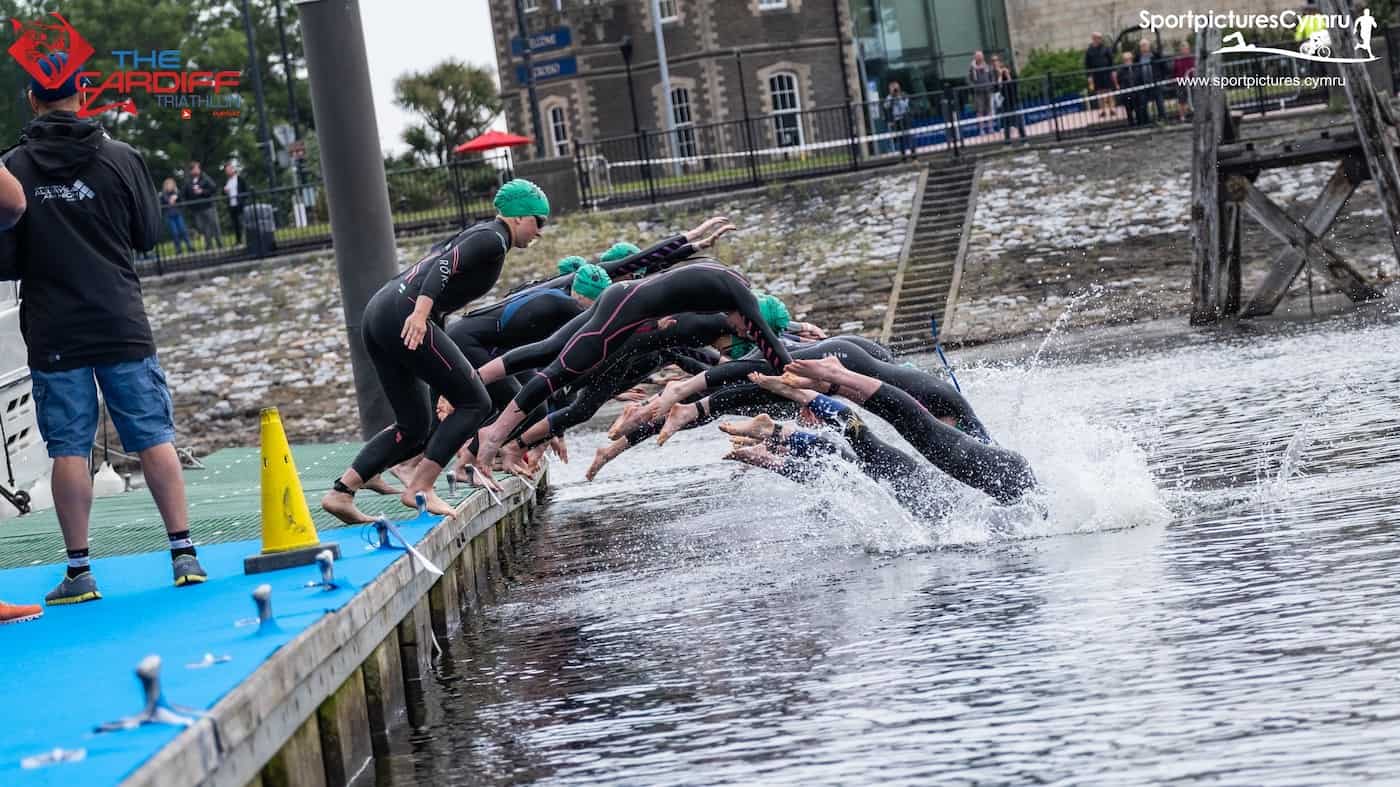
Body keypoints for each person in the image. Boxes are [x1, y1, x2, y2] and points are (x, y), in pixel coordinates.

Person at [2, 52, 206, 604]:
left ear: (32, 100)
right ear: (81, 94)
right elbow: (147, 234)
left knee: (69, 446)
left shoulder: (12, 167)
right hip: (119, 317)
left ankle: (80, 571)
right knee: (152, 435)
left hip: (53, 327)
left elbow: (4, 260)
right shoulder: (120, 156)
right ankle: (184, 554)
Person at [320, 179, 549, 524]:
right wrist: (419, 314)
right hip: (404, 314)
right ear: (518, 217)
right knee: (477, 402)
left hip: (380, 313)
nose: (540, 232)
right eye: (539, 221)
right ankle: (421, 487)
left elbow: (437, 276)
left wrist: (442, 380)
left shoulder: (480, 234)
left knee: (415, 425)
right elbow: (443, 267)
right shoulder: (493, 238)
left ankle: (342, 491)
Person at [464, 260, 793, 477]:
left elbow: (762, 338)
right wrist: (802, 388)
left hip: (623, 311)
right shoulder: (735, 305)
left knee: (550, 357)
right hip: (624, 320)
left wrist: (797, 331)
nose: (738, 332)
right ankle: (492, 438)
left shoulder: (728, 295)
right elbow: (773, 350)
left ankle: (477, 396)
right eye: (742, 331)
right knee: (558, 374)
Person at [760, 357, 1038, 504]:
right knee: (908, 425)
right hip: (1004, 475)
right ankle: (834, 378)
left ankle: (829, 386)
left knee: (896, 429)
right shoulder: (964, 433)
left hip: (997, 474)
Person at [181, 160, 221, 250]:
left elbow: (213, 188)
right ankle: (209, 245)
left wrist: (202, 191)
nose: (196, 170)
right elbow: (184, 194)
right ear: (191, 171)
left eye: (197, 168)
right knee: (203, 227)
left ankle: (219, 243)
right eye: (194, 169)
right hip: (197, 209)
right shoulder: (188, 181)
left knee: (214, 225)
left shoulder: (205, 178)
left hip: (208, 206)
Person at [991, 54, 1025, 141]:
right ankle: (1007, 142)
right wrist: (1000, 75)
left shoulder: (1011, 73)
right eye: (994, 61)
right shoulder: (996, 75)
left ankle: (1024, 139)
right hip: (1004, 102)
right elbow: (998, 87)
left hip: (1014, 100)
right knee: (1006, 123)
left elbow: (1013, 84)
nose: (996, 63)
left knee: (1019, 122)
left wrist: (1007, 74)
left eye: (997, 61)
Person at [1085, 33, 1117, 118]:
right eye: (1096, 38)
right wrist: (1089, 77)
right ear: (1093, 39)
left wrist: (1113, 71)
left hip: (1106, 73)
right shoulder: (1089, 50)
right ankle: (1102, 110)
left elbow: (1111, 61)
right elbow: (1087, 65)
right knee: (1100, 93)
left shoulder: (1106, 48)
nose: (1098, 39)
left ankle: (1112, 109)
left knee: (1109, 92)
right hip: (1096, 75)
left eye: (1099, 38)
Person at [159, 177, 194, 254]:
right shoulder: (163, 194)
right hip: (169, 216)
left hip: (178, 214)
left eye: (171, 184)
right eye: (168, 184)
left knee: (183, 230)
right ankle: (178, 249)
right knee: (175, 233)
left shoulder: (177, 192)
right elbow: (161, 205)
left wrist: (177, 198)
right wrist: (168, 200)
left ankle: (189, 246)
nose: (170, 186)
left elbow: (182, 202)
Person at [883, 80, 914, 160]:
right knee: (900, 139)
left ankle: (914, 156)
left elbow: (905, 106)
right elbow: (886, 106)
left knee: (909, 137)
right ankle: (903, 157)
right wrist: (892, 97)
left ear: (899, 87)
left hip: (905, 117)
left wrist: (898, 98)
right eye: (892, 88)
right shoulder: (889, 97)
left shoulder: (904, 95)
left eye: (895, 87)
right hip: (896, 119)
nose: (894, 89)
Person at [1136, 39, 1165, 124]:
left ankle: (1162, 118)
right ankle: (1145, 121)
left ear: (1149, 46)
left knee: (1159, 101)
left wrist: (1161, 77)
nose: (1144, 47)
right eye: (1142, 46)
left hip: (1155, 82)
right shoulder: (1138, 58)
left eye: (1145, 45)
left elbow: (1163, 66)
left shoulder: (1155, 55)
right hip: (1143, 83)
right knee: (1143, 103)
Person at [223, 161, 251, 244]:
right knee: (236, 224)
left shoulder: (240, 179)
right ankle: (239, 240)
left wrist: (242, 199)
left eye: (229, 169)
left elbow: (246, 190)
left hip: (240, 204)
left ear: (233, 169)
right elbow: (224, 192)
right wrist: (224, 191)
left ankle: (248, 239)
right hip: (232, 205)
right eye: (226, 170)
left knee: (243, 222)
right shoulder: (227, 181)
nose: (227, 172)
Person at [968, 51, 995, 136]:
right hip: (978, 92)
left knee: (989, 109)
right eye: (978, 56)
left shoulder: (987, 66)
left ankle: (991, 128)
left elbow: (992, 76)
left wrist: (991, 84)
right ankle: (982, 129)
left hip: (987, 90)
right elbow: (969, 79)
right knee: (980, 111)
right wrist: (973, 86)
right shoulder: (972, 68)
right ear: (975, 58)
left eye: (981, 56)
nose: (980, 58)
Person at [1172, 41, 1195, 123]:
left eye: (1186, 48)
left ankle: (1194, 114)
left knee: (1193, 98)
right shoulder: (1178, 59)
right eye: (1182, 48)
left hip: (1192, 81)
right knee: (1181, 100)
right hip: (1181, 82)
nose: (1184, 49)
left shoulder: (1192, 57)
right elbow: (1175, 70)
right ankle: (1182, 117)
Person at [1117, 51, 1141, 126]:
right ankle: (1131, 123)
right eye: (1126, 60)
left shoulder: (1136, 67)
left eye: (1129, 59)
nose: (1128, 61)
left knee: (1138, 108)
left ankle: (1140, 122)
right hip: (1127, 93)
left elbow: (1139, 78)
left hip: (1137, 91)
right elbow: (1120, 81)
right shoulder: (1121, 70)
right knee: (1129, 109)